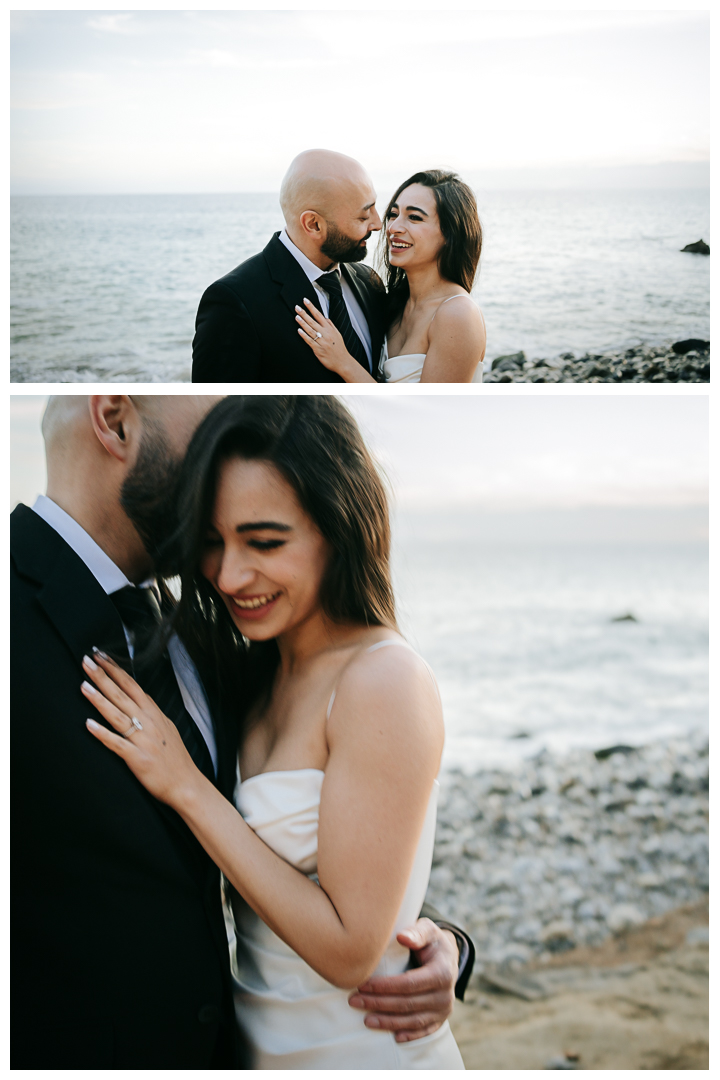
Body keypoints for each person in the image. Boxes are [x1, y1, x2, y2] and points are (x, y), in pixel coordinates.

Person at [11, 394, 472, 1070]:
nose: (228, 573)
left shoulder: (209, 644)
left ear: (334, 526)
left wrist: (442, 945)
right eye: (215, 541)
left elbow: (338, 860)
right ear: (114, 418)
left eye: (262, 540)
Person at [192, 150, 387, 383]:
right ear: (313, 224)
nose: (377, 224)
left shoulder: (370, 283)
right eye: (363, 217)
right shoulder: (235, 301)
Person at [296, 169, 486, 382]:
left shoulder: (457, 314)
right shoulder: (389, 302)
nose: (393, 228)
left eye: (414, 217)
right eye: (393, 215)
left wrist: (343, 362)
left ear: (451, 234)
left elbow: (426, 413)